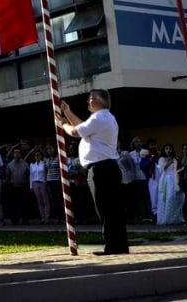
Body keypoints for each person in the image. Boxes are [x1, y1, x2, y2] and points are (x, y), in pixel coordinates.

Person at [60, 89, 128, 255]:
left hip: (101, 169)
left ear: (102, 101)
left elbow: (75, 132)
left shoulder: (100, 117)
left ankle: (113, 246)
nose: (89, 101)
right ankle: (119, 245)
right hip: (106, 167)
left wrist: (62, 124)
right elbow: (81, 127)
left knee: (105, 209)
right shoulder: (103, 118)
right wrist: (67, 113)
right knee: (112, 209)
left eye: (92, 98)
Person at [155, 144, 184, 225]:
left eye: (170, 149)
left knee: (173, 198)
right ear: (164, 150)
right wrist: (168, 162)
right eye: (167, 149)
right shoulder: (161, 159)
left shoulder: (175, 159)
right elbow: (161, 169)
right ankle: (165, 219)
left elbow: (178, 169)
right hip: (165, 180)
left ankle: (174, 218)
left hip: (174, 179)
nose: (168, 150)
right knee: (165, 198)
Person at [29, 149, 49, 224]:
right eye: (36, 155)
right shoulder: (32, 165)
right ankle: (42, 218)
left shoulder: (43, 163)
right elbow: (31, 175)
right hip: (35, 183)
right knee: (39, 201)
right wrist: (31, 185)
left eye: (38, 155)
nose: (37, 156)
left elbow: (46, 173)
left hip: (42, 182)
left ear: (41, 156)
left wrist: (46, 182)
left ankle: (47, 217)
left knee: (45, 200)